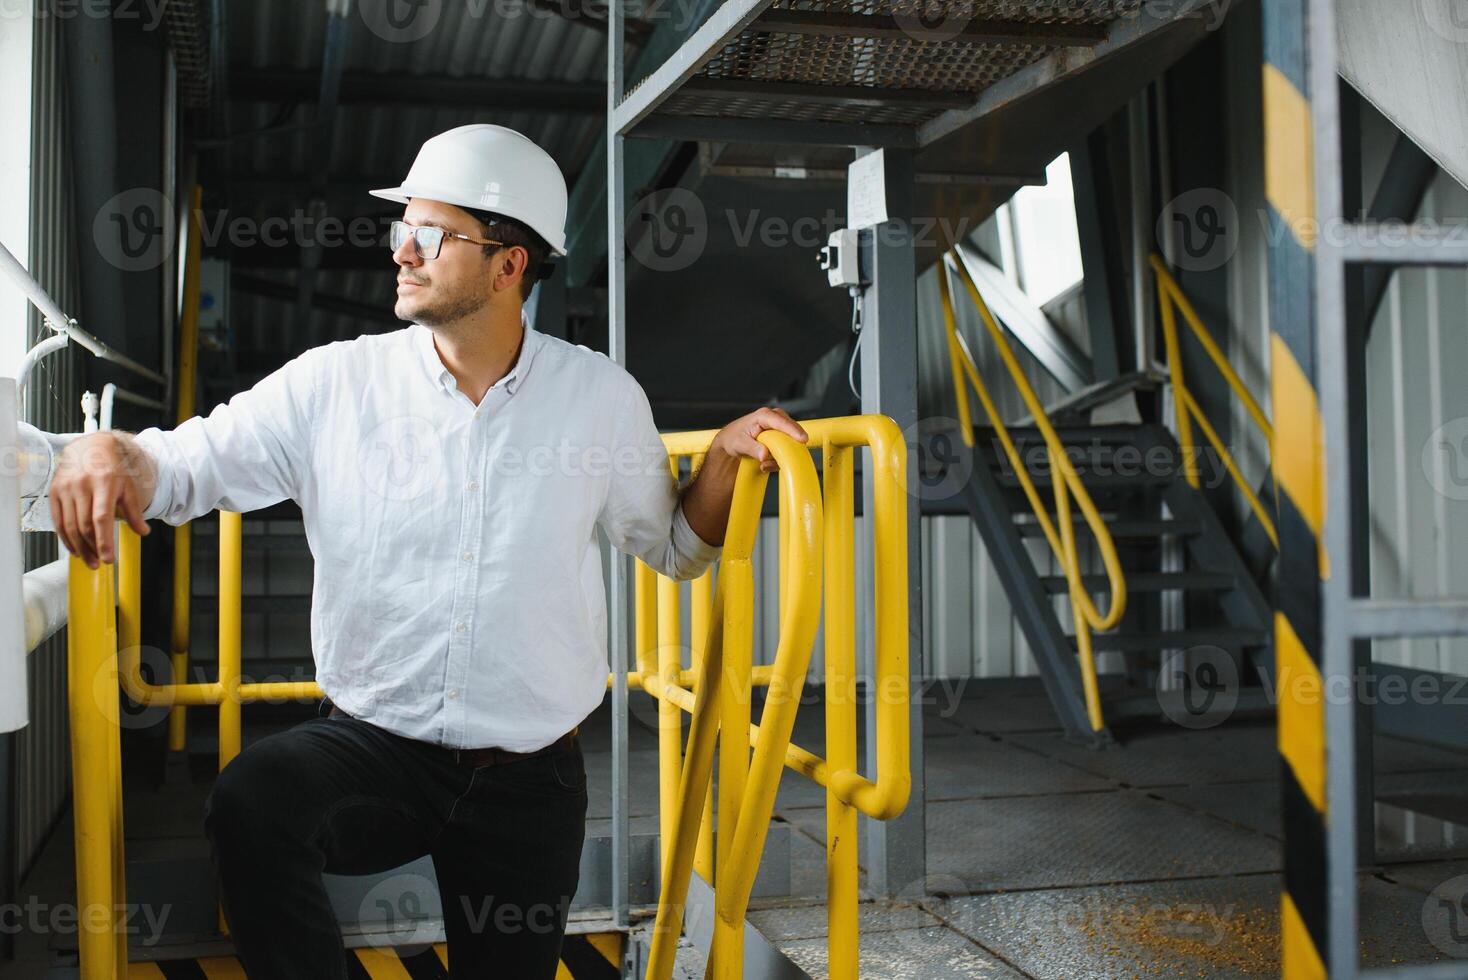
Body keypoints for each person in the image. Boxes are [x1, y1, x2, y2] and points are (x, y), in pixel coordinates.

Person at [47, 123, 807, 979]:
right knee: (254, 799)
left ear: (509, 264)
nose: (403, 250)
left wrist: (719, 464)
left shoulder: (599, 399)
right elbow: (187, 466)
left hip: (532, 779)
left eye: (433, 234)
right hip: (376, 751)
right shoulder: (335, 385)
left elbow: (675, 548)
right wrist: (110, 451)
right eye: (402, 227)